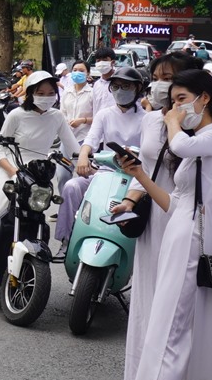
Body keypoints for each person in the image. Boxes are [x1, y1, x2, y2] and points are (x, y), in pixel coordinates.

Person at [111, 66, 212, 380]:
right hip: (182, 231)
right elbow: (175, 202)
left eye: (183, 99)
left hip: (190, 239)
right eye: (173, 101)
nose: (176, 107)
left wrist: (168, 120)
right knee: (183, 335)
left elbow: (179, 149)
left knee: (168, 337)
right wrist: (138, 177)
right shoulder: (202, 140)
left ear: (205, 98)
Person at [0, 70, 77, 310]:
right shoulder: (16, 115)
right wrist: (13, 171)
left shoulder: (57, 117)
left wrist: (87, 162)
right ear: (30, 94)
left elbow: (73, 149)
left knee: (37, 218)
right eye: (40, 93)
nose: (46, 97)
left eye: (51, 93)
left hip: (38, 176)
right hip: (10, 171)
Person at [57, 65, 148, 248]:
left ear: (138, 88)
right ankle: (66, 240)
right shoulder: (104, 114)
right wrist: (83, 156)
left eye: (126, 86)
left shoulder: (146, 118)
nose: (120, 91)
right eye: (116, 86)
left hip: (135, 177)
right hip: (106, 172)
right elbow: (91, 139)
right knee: (71, 187)